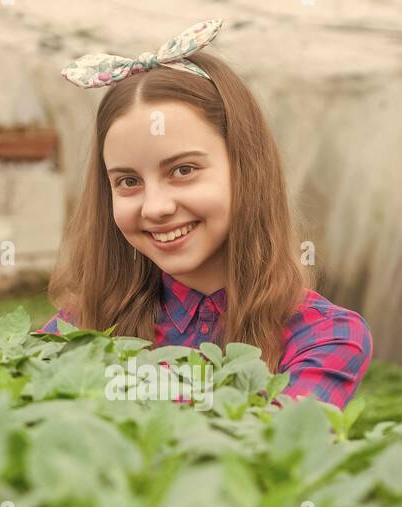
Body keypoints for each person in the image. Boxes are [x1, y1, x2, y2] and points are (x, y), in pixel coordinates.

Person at [40, 20, 372, 409]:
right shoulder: (80, 326)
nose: (156, 207)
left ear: (246, 170)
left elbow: (269, 447)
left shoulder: (324, 336)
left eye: (183, 170)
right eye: (128, 181)